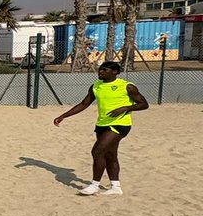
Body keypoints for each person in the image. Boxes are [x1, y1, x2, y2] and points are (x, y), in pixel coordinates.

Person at [53, 60, 149, 195]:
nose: (101, 72)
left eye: (105, 70)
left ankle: (94, 185)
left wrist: (125, 108)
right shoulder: (96, 86)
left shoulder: (127, 86)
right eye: (100, 69)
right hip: (101, 124)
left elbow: (144, 104)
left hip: (120, 124)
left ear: (115, 72)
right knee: (110, 155)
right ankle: (116, 187)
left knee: (97, 151)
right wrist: (64, 116)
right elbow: (84, 104)